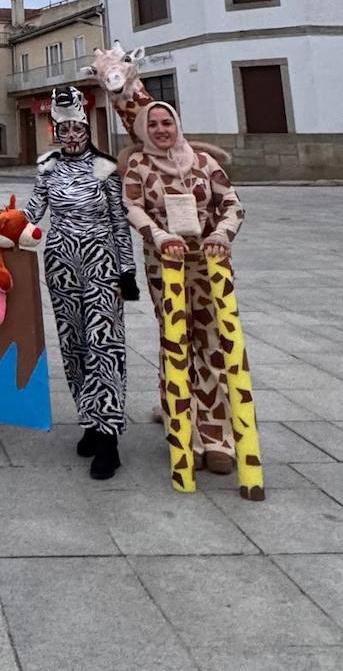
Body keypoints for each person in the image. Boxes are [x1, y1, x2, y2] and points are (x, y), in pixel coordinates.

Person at [122, 100, 245, 474]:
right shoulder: (139, 166)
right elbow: (132, 207)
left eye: (167, 123)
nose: (161, 130)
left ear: (176, 125)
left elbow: (233, 204)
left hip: (210, 267)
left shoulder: (204, 163)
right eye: (154, 124)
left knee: (214, 342)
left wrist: (222, 235)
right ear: (144, 129)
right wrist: (158, 237)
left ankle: (217, 437)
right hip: (167, 268)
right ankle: (184, 430)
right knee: (176, 342)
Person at [24, 86, 140, 480]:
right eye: (65, 129)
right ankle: (90, 419)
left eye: (78, 128)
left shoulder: (105, 167)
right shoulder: (46, 167)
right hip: (60, 262)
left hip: (99, 261)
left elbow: (119, 222)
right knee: (73, 343)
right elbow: (32, 213)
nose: (72, 135)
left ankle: (110, 437)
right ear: (55, 132)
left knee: (103, 344)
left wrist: (128, 270)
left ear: (87, 128)